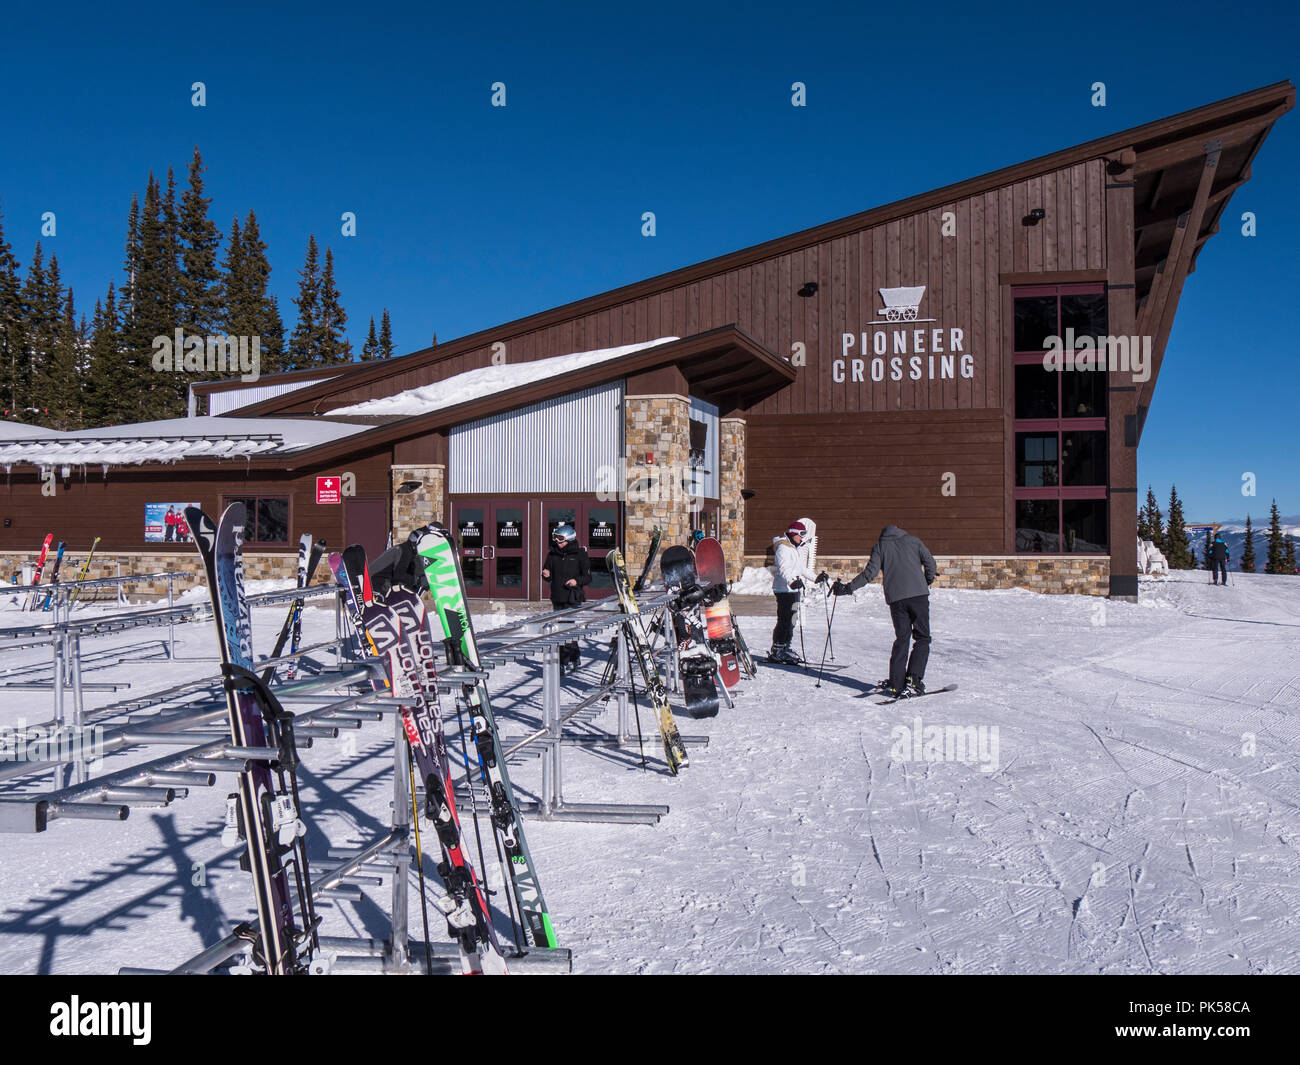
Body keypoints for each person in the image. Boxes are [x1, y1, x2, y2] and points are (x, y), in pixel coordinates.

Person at [832, 525, 937, 698]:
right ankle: (914, 680)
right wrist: (926, 580)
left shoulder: (880, 546)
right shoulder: (913, 541)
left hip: (896, 599)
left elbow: (869, 574)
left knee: (902, 639)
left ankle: (897, 683)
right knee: (922, 637)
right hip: (918, 596)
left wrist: (848, 589)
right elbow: (930, 563)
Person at [770, 519, 824, 664]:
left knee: (792, 621)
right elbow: (783, 569)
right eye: (801, 535)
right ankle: (777, 649)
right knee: (785, 620)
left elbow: (802, 569)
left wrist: (816, 578)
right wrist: (792, 581)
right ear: (793, 533)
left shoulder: (795, 548)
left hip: (793, 590)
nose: (802, 538)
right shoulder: (783, 548)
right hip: (783, 590)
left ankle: (786, 646)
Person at [542, 524, 590, 673]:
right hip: (557, 596)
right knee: (559, 629)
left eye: (561, 539)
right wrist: (546, 575)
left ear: (569, 539)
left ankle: (566, 660)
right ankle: (572, 658)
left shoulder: (580, 554)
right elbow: (548, 573)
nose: (558, 542)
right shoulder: (552, 554)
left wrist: (577, 581)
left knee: (568, 629)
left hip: (572, 596)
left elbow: (588, 577)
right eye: (556, 539)